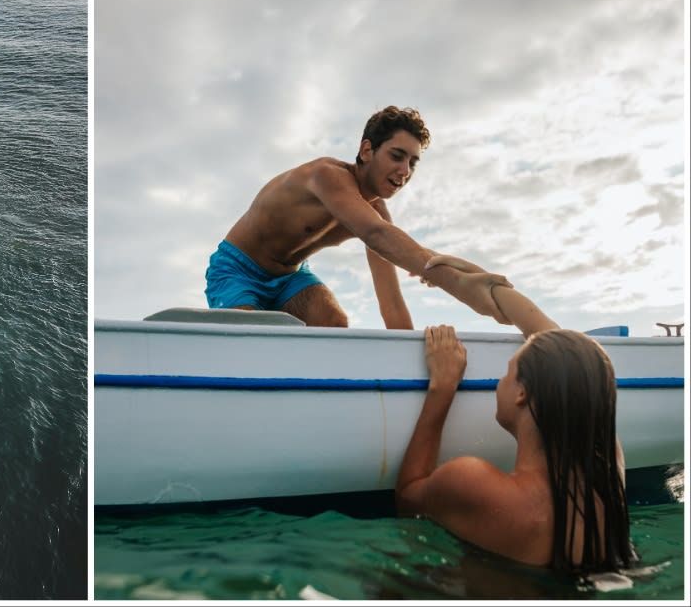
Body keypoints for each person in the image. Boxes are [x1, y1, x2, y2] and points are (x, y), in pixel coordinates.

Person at [396, 254, 635, 573]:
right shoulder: (608, 475)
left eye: (507, 372)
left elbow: (408, 498)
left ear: (521, 392)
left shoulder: (472, 482)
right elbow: (561, 348)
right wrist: (484, 284)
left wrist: (443, 386)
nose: (500, 381)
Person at [205, 106, 510, 328]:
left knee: (333, 322)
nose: (405, 171)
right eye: (396, 156)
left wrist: (410, 371)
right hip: (237, 268)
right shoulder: (327, 176)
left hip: (289, 276)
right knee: (252, 341)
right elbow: (379, 235)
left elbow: (391, 305)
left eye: (413, 163)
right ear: (366, 150)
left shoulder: (376, 216)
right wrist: (459, 286)